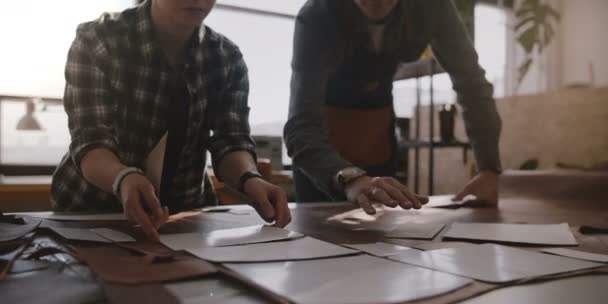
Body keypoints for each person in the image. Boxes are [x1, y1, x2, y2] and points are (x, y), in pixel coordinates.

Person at [51, 0, 291, 240]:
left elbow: (231, 140)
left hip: (185, 217)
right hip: (91, 213)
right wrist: (124, 178)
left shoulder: (226, 57)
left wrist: (250, 179)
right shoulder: (99, 40)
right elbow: (91, 139)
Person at [284, 0, 502, 214]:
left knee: (385, 238)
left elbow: (471, 82)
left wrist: (489, 169)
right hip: (321, 158)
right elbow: (301, 126)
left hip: (378, 140)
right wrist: (348, 176)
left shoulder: (432, 7)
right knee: (316, 238)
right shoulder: (316, 15)